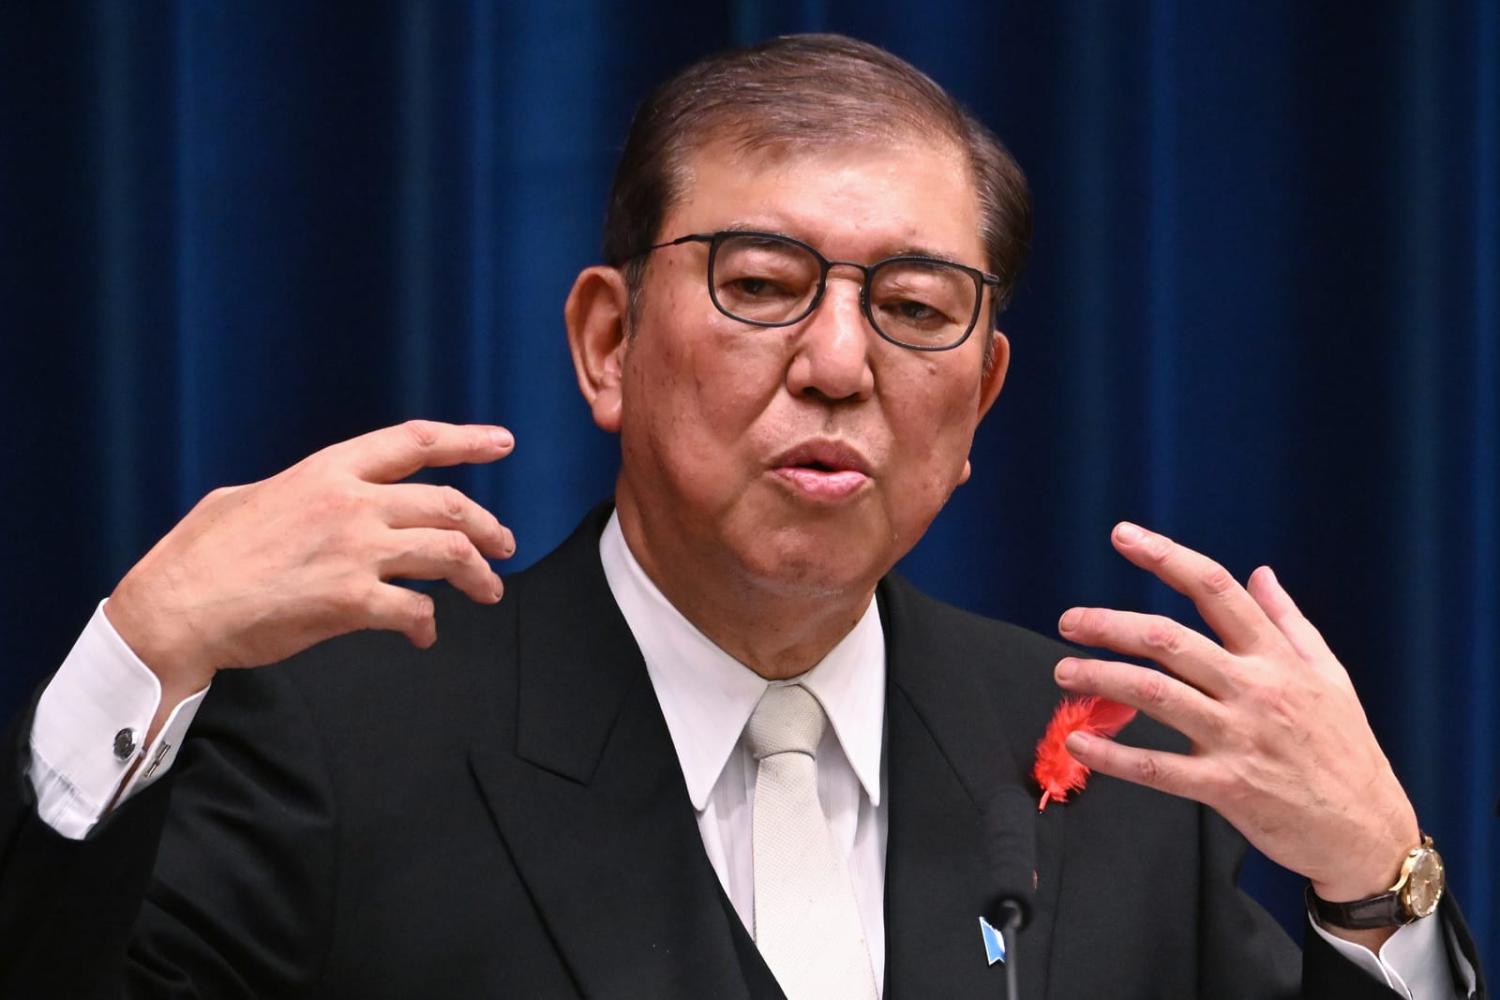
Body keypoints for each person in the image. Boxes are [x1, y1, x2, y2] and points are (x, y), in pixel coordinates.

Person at [0, 33, 1483, 1000]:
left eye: (912, 309)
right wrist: (139, 652)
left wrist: (1379, 890)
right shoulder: (339, 734)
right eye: (762, 285)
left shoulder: (1111, 770)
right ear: (606, 343)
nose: (837, 363)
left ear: (978, 400)